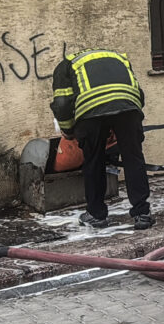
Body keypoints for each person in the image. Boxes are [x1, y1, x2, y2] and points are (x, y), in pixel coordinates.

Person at [50, 49, 153, 229]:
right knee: (133, 158)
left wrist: (67, 130)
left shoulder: (66, 65)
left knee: (94, 160)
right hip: (128, 106)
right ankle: (142, 214)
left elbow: (62, 103)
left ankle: (96, 214)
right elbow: (138, 94)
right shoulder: (119, 57)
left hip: (91, 112)